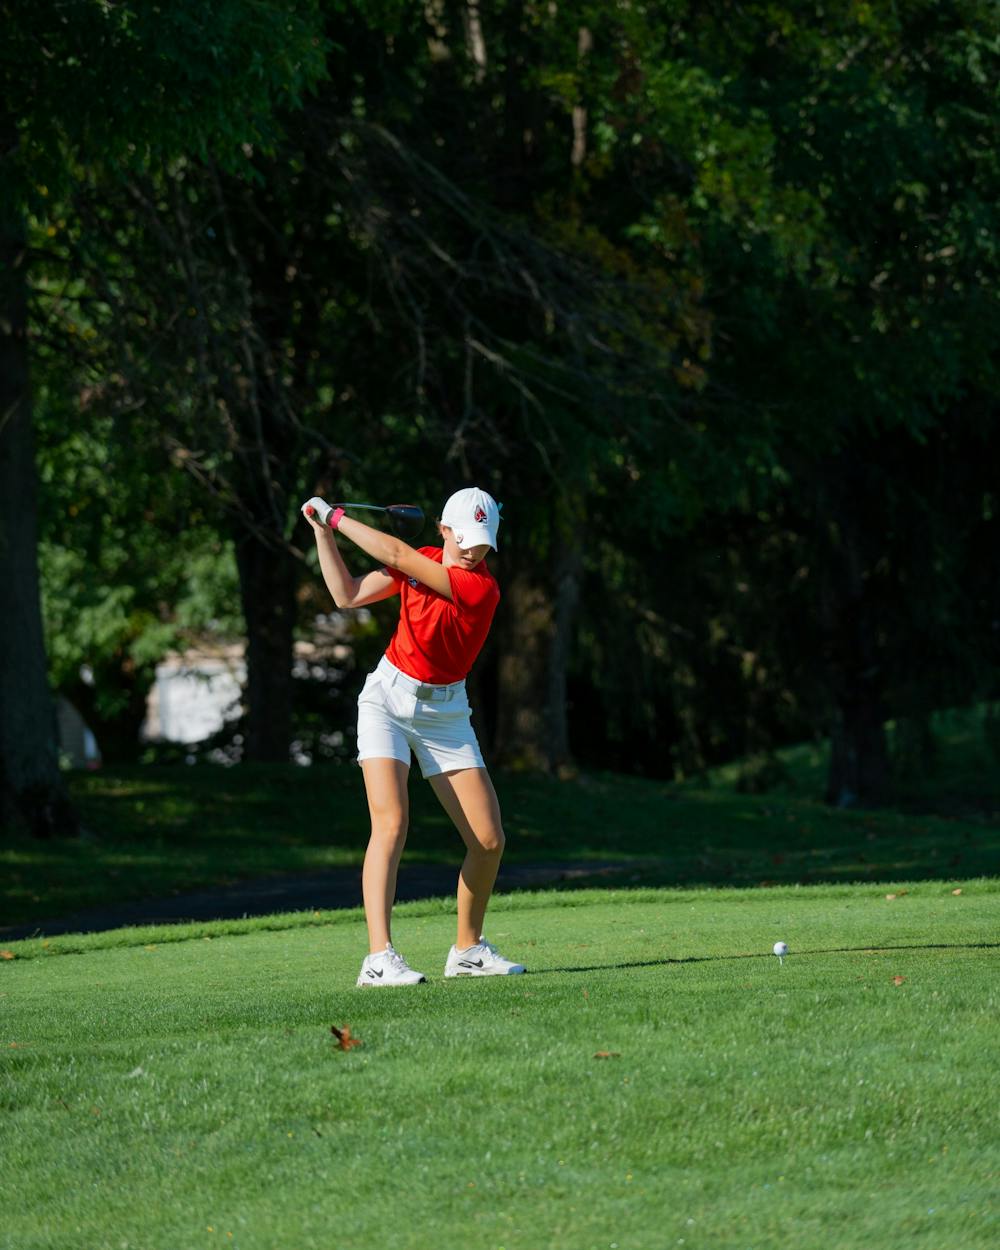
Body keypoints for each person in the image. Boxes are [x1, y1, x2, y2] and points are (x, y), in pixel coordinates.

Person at [302, 486, 526, 986]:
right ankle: (379, 958)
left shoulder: (480, 588)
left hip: (445, 714)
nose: (474, 550)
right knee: (391, 823)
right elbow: (347, 595)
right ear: (444, 530)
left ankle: (467, 950)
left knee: (489, 840)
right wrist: (323, 535)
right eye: (465, 539)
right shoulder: (420, 563)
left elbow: (397, 552)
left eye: (483, 542)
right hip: (386, 699)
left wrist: (335, 516)